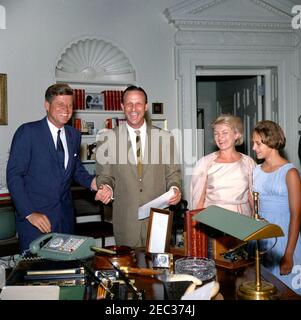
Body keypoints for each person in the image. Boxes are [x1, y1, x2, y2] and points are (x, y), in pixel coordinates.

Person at [6, 83, 97, 252]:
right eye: (60, 104)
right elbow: (14, 176)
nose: (66, 109)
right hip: (35, 222)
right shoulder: (28, 132)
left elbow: (75, 169)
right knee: (37, 275)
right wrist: (29, 213)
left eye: (70, 105)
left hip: (66, 220)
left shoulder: (73, 135)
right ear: (47, 106)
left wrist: (94, 183)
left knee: (65, 273)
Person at [94, 85, 182, 248]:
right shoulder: (108, 138)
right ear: (122, 107)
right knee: (128, 270)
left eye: (138, 103)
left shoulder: (164, 137)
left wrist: (175, 189)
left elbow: (173, 174)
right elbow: (105, 175)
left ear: (146, 106)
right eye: (129, 103)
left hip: (158, 219)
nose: (134, 109)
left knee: (158, 270)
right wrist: (106, 186)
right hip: (126, 219)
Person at [252, 120, 301, 295]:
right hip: (261, 240)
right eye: (253, 143)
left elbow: (296, 216)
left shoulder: (290, 172)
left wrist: (288, 254)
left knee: (287, 292)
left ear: (271, 141)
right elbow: (254, 209)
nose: (254, 148)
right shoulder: (256, 170)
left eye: (258, 143)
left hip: (284, 240)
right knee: (262, 290)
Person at [190, 114, 255, 215]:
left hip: (243, 220)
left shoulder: (248, 163)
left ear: (236, 134)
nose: (220, 137)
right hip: (213, 220)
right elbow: (198, 200)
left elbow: (252, 197)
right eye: (216, 133)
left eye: (224, 132)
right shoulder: (204, 163)